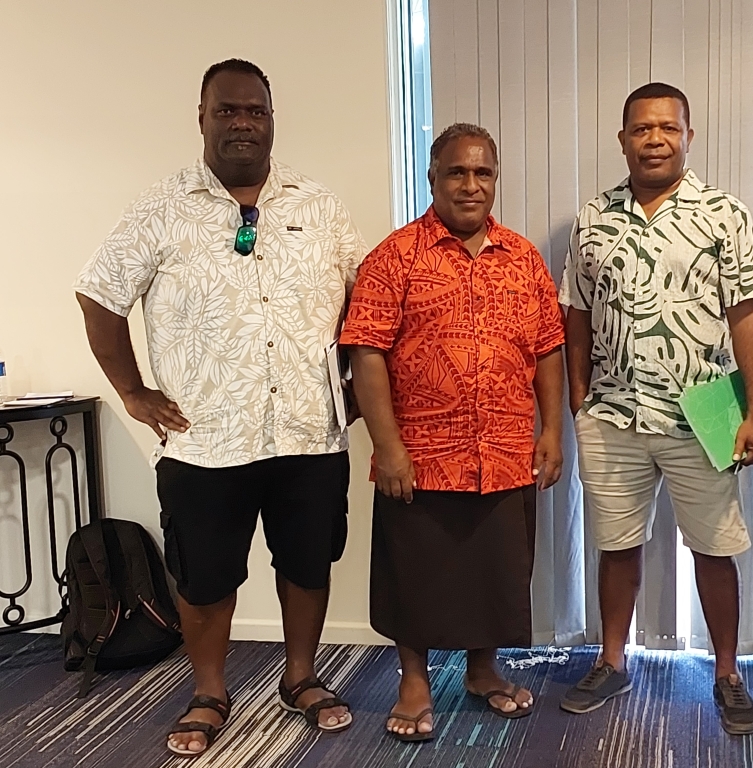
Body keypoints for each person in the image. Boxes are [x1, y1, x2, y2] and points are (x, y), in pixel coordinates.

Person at [74, 59, 367, 757]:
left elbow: (362, 299)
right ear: (202, 118)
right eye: (227, 110)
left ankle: (301, 677)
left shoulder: (318, 205)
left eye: (254, 111)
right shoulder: (160, 208)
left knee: (307, 564)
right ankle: (209, 690)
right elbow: (99, 293)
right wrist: (132, 391)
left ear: (272, 119)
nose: (242, 122)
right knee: (204, 577)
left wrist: (351, 387)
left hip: (308, 434)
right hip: (205, 439)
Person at [340, 122, 565, 742]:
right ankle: (414, 682)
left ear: (495, 178)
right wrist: (387, 448)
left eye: (483, 172)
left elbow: (548, 348)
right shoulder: (395, 257)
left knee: (496, 570)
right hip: (420, 455)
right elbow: (367, 354)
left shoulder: (522, 257)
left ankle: (483, 671)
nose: (471, 185)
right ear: (433, 178)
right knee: (415, 572)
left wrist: (551, 432)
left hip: (503, 448)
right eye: (457, 172)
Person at [558, 82, 753, 735]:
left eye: (667, 128)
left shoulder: (723, 213)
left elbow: (745, 318)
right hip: (613, 414)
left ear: (688, 135)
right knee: (616, 545)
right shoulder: (594, 217)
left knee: (714, 547)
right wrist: (577, 400)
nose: (654, 139)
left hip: (701, 412)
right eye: (641, 129)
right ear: (622, 138)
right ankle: (612, 659)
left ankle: (728, 672)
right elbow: (576, 315)